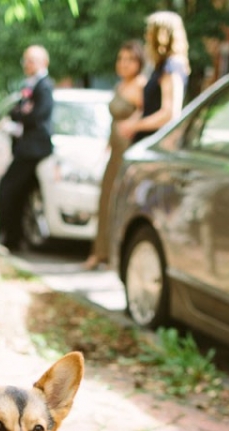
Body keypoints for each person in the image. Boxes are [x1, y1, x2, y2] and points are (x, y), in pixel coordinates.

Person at [84, 40, 146, 271]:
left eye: (129, 59)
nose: (123, 63)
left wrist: (132, 125)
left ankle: (115, 255)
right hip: (114, 151)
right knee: (105, 200)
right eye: (120, 59)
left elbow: (144, 117)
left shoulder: (141, 86)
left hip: (128, 151)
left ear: (139, 62)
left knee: (120, 201)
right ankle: (100, 252)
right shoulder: (120, 85)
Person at [0, 45, 54, 253]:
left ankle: (11, 237)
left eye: (31, 60)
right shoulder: (30, 85)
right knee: (19, 195)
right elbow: (18, 111)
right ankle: (15, 237)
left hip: (33, 149)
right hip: (26, 147)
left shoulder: (44, 86)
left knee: (8, 188)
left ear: (42, 62)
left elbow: (37, 116)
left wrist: (21, 114)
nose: (27, 65)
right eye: (26, 60)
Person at [118, 10, 190, 145]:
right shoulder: (162, 67)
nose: (147, 36)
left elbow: (169, 114)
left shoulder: (171, 67)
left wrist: (134, 126)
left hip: (156, 144)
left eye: (150, 32)